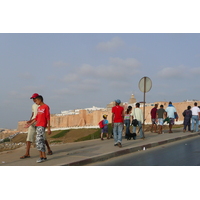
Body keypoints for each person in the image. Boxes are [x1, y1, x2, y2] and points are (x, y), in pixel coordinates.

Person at [20, 93, 53, 159]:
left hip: (41, 124)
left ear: (38, 99)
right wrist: (30, 121)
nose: (34, 100)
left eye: (34, 99)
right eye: (33, 99)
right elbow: (34, 115)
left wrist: (48, 128)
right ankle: (28, 153)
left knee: (42, 138)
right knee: (29, 137)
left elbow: (47, 117)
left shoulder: (44, 106)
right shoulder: (34, 106)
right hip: (34, 122)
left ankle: (46, 152)